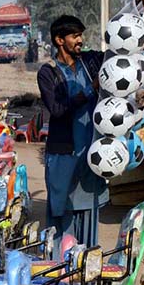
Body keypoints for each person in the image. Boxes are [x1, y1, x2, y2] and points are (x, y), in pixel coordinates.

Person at [37, 15, 106, 252]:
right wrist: (90, 90)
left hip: (90, 152)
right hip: (63, 154)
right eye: (75, 36)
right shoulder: (48, 73)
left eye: (81, 35)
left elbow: (115, 57)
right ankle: (58, 268)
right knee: (62, 209)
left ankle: (86, 266)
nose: (80, 40)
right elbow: (57, 109)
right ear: (59, 40)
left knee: (88, 208)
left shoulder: (90, 61)